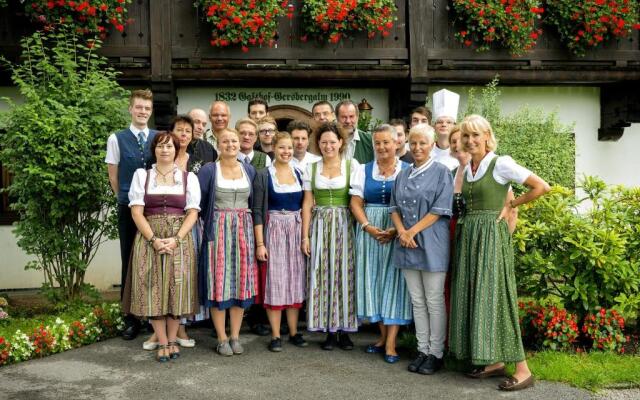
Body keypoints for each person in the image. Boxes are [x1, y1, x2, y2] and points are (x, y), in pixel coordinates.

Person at [449, 115, 550, 391]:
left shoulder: (500, 163)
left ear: (487, 136)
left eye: (475, 135)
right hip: (471, 238)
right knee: (478, 297)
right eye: (466, 136)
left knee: (498, 299)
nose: (470, 140)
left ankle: (522, 369)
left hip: (491, 238)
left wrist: (512, 205)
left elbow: (541, 186)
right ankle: (493, 362)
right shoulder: (468, 167)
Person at [127, 131, 201, 362]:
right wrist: (154, 240)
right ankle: (161, 339)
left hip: (179, 241)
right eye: (160, 146)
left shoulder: (189, 178)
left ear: (176, 149)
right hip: (150, 240)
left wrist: (176, 239)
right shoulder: (142, 176)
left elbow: (192, 212)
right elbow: (136, 212)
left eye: (169, 146)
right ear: (154, 150)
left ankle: (171, 339)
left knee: (176, 291)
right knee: (153, 290)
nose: (165, 150)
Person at [390, 123, 453, 375]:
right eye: (413, 143)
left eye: (422, 143)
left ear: (432, 145)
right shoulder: (402, 174)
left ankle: (436, 353)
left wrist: (411, 231)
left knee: (434, 300)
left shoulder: (441, 172)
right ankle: (422, 348)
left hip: (431, 243)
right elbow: (393, 207)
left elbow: (440, 209)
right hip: (406, 243)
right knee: (417, 300)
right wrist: (402, 232)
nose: (417, 148)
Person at [349, 124, 412, 364]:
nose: (382, 147)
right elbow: (355, 202)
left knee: (394, 283)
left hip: (399, 228)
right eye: (378, 143)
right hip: (370, 229)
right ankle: (382, 338)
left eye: (386, 142)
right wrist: (367, 226)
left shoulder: (407, 169)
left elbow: (413, 203)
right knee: (372, 281)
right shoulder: (363, 170)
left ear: (397, 143)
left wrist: (397, 229)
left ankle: (391, 343)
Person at [197, 129, 259, 356]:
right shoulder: (209, 170)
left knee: (240, 281)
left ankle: (235, 335)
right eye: (225, 141)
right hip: (218, 228)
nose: (231, 145)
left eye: (234, 141)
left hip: (243, 228)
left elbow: (254, 200)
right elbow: (200, 202)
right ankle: (221, 337)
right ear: (218, 144)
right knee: (219, 281)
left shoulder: (249, 170)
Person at [105, 88, 157, 340]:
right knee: (129, 259)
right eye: (139, 107)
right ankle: (130, 318)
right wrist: (124, 197)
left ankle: (151, 314)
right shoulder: (117, 138)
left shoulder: (159, 137)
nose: (143, 112)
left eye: (147, 108)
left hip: (156, 209)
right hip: (128, 207)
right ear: (130, 109)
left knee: (153, 261)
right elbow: (113, 174)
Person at [301, 122, 358, 350]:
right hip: (320, 225)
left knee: (345, 274)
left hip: (344, 224)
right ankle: (328, 330)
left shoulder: (351, 165)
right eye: (324, 142)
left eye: (332, 142)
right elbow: (307, 203)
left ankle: (344, 329)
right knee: (322, 274)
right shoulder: (311, 168)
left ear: (341, 143)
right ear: (318, 144)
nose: (328, 146)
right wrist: (305, 236)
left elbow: (356, 201)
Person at [252, 132, 308, 352]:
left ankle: (294, 332)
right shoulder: (264, 175)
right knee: (274, 281)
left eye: (289, 148)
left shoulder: (300, 173)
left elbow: (305, 207)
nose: (286, 152)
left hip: (294, 228)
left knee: (294, 279)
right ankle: (275, 334)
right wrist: (260, 243)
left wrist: (305, 236)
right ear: (274, 148)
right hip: (273, 228)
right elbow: (257, 210)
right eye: (282, 147)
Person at [335, 100, 374, 164]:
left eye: (351, 116)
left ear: (357, 117)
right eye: (344, 117)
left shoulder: (370, 140)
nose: (348, 121)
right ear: (337, 118)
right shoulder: (330, 141)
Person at [431, 89, 460, 171]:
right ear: (434, 126)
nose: (444, 124)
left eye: (449, 122)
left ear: (455, 126)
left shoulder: (461, 152)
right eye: (440, 122)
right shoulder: (427, 150)